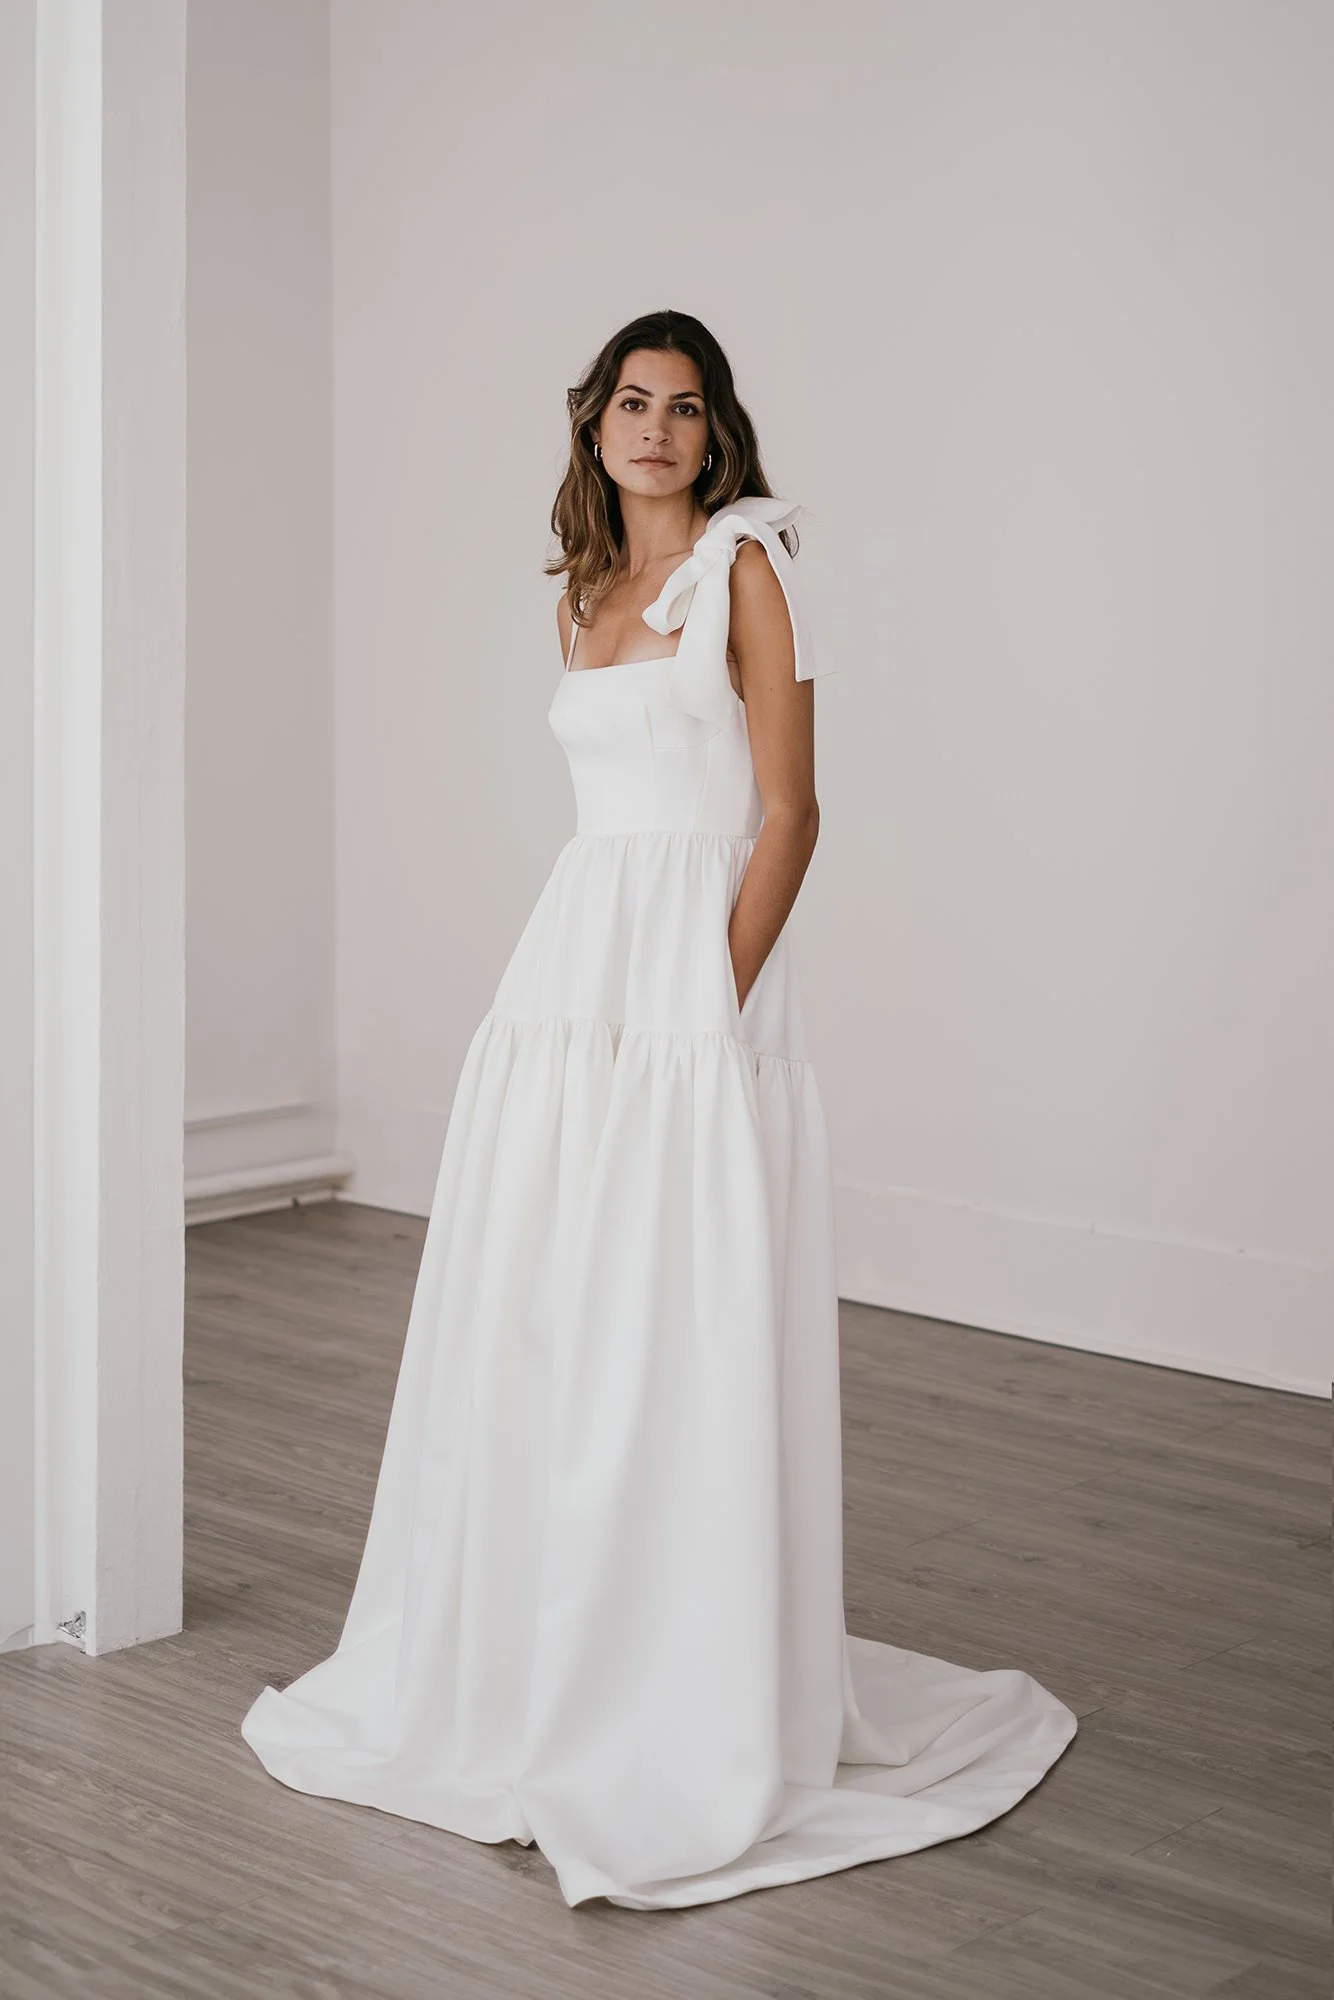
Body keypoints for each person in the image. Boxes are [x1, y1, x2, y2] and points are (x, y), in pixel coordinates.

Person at [241, 308, 1077, 1910]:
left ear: (717, 437)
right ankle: (550, 1637)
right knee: (547, 1304)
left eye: (684, 410)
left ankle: (671, 1677)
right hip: (570, 974)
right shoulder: (583, 592)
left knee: (669, 1308)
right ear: (594, 423)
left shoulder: (745, 571)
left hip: (692, 987)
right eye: (631, 402)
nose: (654, 429)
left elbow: (790, 811)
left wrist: (713, 995)